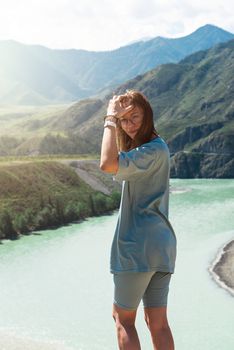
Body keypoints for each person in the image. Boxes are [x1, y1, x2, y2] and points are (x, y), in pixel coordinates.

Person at [100, 90, 177, 350]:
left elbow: (107, 164)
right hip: (162, 246)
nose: (129, 124)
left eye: (134, 116)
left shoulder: (149, 151)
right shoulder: (157, 147)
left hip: (136, 246)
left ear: (148, 115)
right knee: (157, 323)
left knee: (123, 320)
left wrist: (109, 119)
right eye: (124, 120)